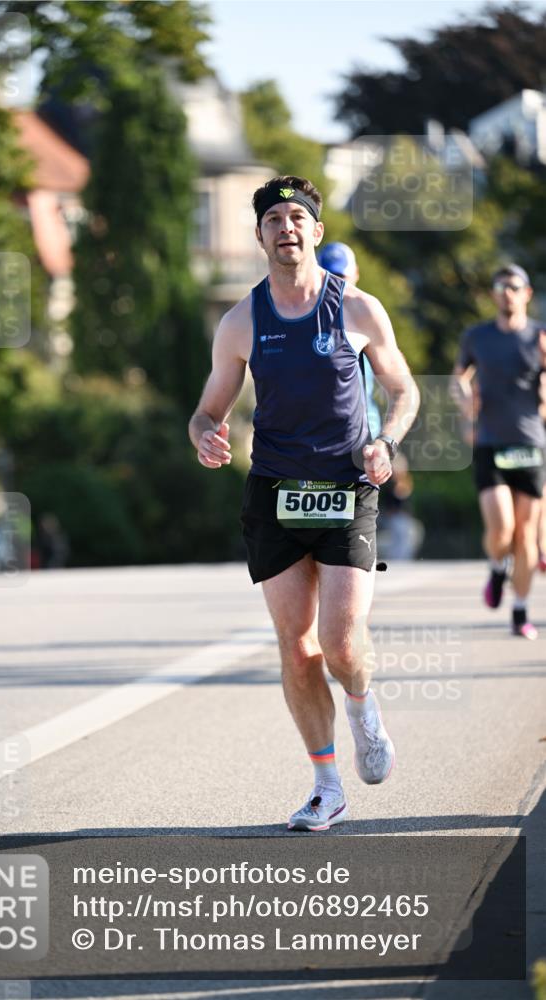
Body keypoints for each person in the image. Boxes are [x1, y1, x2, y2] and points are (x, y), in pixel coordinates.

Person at [189, 176, 420, 832]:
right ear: (259, 235)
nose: (285, 228)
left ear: (316, 231)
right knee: (295, 648)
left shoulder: (358, 309)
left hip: (347, 486)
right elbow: (208, 409)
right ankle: (326, 786)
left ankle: (362, 707)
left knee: (341, 645)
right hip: (275, 492)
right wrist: (204, 434)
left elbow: (404, 391)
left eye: (297, 218)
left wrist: (386, 441)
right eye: (273, 220)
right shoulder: (240, 322)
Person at [452, 264, 545, 639]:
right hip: (490, 442)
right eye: (500, 286)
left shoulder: (539, 336)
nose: (507, 292)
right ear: (493, 294)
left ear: (527, 294)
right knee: (502, 528)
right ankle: (496, 566)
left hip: (531, 444)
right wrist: (465, 404)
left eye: (514, 286)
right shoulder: (477, 336)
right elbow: (458, 379)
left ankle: (520, 611)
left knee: (525, 536)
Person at [317, 242, 382, 440]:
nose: (336, 284)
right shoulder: (306, 320)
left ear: (356, 274)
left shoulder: (369, 315)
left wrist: (388, 439)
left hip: (366, 435)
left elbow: (399, 385)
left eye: (341, 276)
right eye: (329, 277)